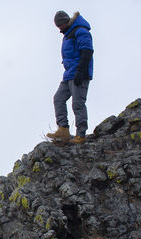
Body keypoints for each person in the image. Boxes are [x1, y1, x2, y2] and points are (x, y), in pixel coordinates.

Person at [47, 11, 94, 144]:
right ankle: (63, 130)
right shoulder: (67, 35)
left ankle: (81, 135)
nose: (59, 28)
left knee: (78, 104)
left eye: (60, 25)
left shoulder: (80, 31)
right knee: (58, 98)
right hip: (69, 75)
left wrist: (80, 71)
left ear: (66, 22)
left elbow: (87, 51)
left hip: (80, 74)